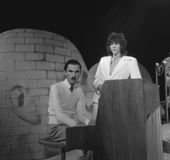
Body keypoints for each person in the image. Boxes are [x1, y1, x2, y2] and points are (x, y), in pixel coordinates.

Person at [48, 59, 94, 159]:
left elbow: (81, 116)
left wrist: (90, 123)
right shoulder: (56, 87)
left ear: (80, 73)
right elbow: (59, 114)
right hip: (57, 127)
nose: (73, 75)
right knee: (86, 137)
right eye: (70, 71)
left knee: (93, 134)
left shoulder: (79, 91)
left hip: (72, 126)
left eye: (76, 72)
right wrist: (77, 126)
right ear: (65, 72)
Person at [92, 32, 142, 120]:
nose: (113, 46)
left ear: (121, 45)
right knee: (97, 127)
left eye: (116, 43)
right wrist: (101, 87)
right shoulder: (103, 60)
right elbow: (97, 78)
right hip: (100, 99)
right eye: (111, 44)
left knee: (115, 127)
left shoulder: (130, 61)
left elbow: (137, 83)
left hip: (118, 100)